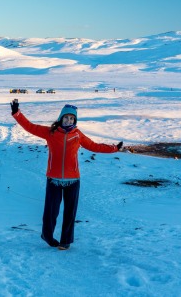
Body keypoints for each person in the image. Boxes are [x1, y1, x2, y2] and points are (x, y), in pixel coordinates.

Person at [10, 99, 124, 250]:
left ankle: (66, 241)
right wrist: (17, 113)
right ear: (61, 118)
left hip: (73, 180)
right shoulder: (50, 133)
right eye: (66, 117)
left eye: (72, 118)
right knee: (51, 211)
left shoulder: (77, 135)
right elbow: (30, 127)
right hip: (54, 179)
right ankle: (47, 236)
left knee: (70, 212)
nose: (69, 120)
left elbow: (94, 146)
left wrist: (114, 148)